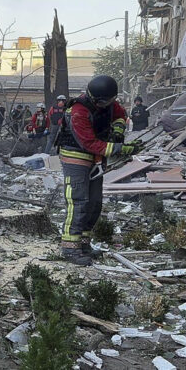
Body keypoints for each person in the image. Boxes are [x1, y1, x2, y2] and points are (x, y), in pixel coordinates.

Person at [56, 75, 142, 266]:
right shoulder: (78, 111)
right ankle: (70, 247)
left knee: (94, 203)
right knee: (78, 201)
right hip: (75, 156)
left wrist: (118, 131)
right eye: (103, 102)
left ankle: (83, 243)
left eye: (109, 101)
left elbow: (120, 114)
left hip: (95, 157)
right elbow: (89, 143)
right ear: (95, 98)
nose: (106, 104)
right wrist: (120, 149)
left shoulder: (111, 104)